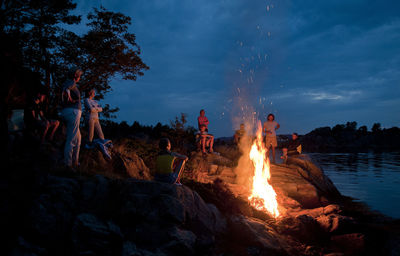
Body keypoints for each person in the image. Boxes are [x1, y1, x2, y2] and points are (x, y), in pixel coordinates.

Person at [61, 67, 83, 169]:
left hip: (71, 112)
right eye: (79, 76)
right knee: (71, 139)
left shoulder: (68, 82)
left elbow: (66, 89)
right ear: (75, 76)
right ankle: (68, 164)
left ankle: (75, 162)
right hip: (73, 112)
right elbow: (67, 89)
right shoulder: (71, 82)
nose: (80, 78)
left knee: (78, 139)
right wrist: (69, 97)